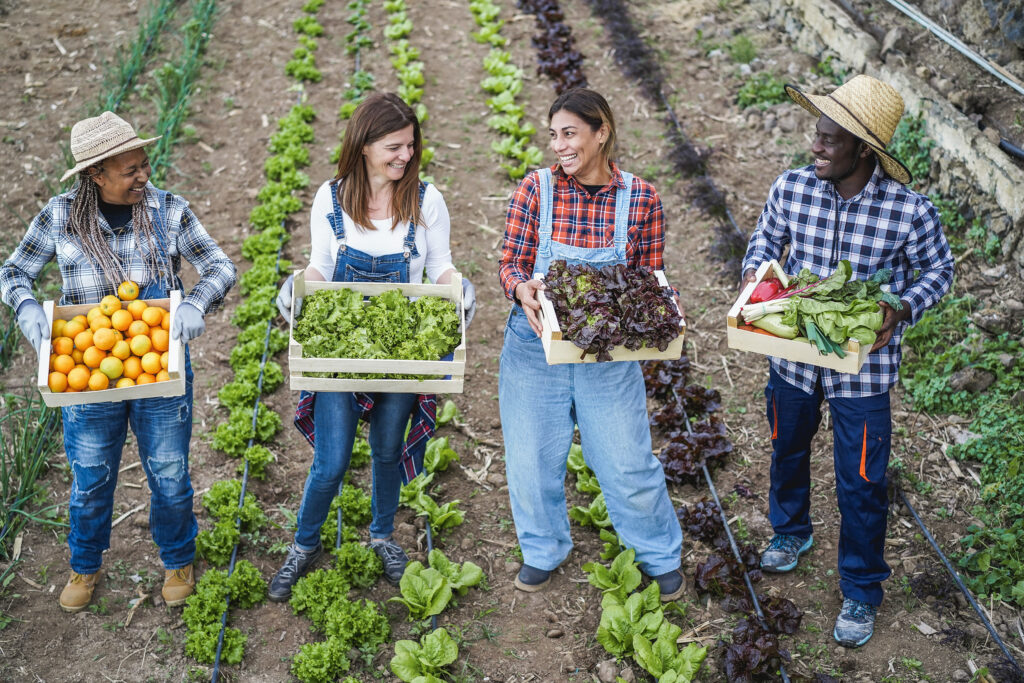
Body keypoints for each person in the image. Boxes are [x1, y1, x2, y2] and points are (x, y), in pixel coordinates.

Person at [740, 75, 954, 647]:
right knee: (787, 447)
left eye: (830, 140)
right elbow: (763, 242)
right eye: (817, 135)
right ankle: (791, 532)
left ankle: (860, 590)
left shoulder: (910, 212)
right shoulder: (792, 188)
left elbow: (939, 272)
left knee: (862, 481)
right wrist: (758, 283)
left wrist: (901, 307)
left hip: (864, 371)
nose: (817, 147)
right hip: (792, 361)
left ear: (864, 149)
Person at [0, 111, 236, 612]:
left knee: (170, 474)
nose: (143, 177)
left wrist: (195, 302)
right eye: (130, 170)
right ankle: (84, 566)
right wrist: (24, 306)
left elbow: (220, 265)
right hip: (86, 377)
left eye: (144, 165)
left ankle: (177, 557)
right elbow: (13, 272)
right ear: (96, 175)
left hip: (160, 367)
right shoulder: (59, 216)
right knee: (90, 476)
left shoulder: (168, 210)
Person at [270, 92, 475, 600]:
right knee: (332, 460)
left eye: (410, 145)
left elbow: (439, 265)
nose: (405, 156)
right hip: (341, 346)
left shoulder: (426, 199)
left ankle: (382, 535)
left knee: (387, 450)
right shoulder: (331, 197)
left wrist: (458, 284)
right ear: (363, 146)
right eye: (393, 146)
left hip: (402, 347)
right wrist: (296, 285)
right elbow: (320, 265)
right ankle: (304, 544)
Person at [498, 88, 684, 600]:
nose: (558, 145)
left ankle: (657, 553)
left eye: (570, 133)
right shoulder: (535, 190)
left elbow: (647, 278)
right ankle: (543, 549)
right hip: (537, 346)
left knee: (625, 459)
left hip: (608, 354)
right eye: (553, 134)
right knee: (532, 458)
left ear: (601, 132)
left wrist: (662, 311)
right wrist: (521, 287)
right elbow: (510, 263)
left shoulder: (641, 198)